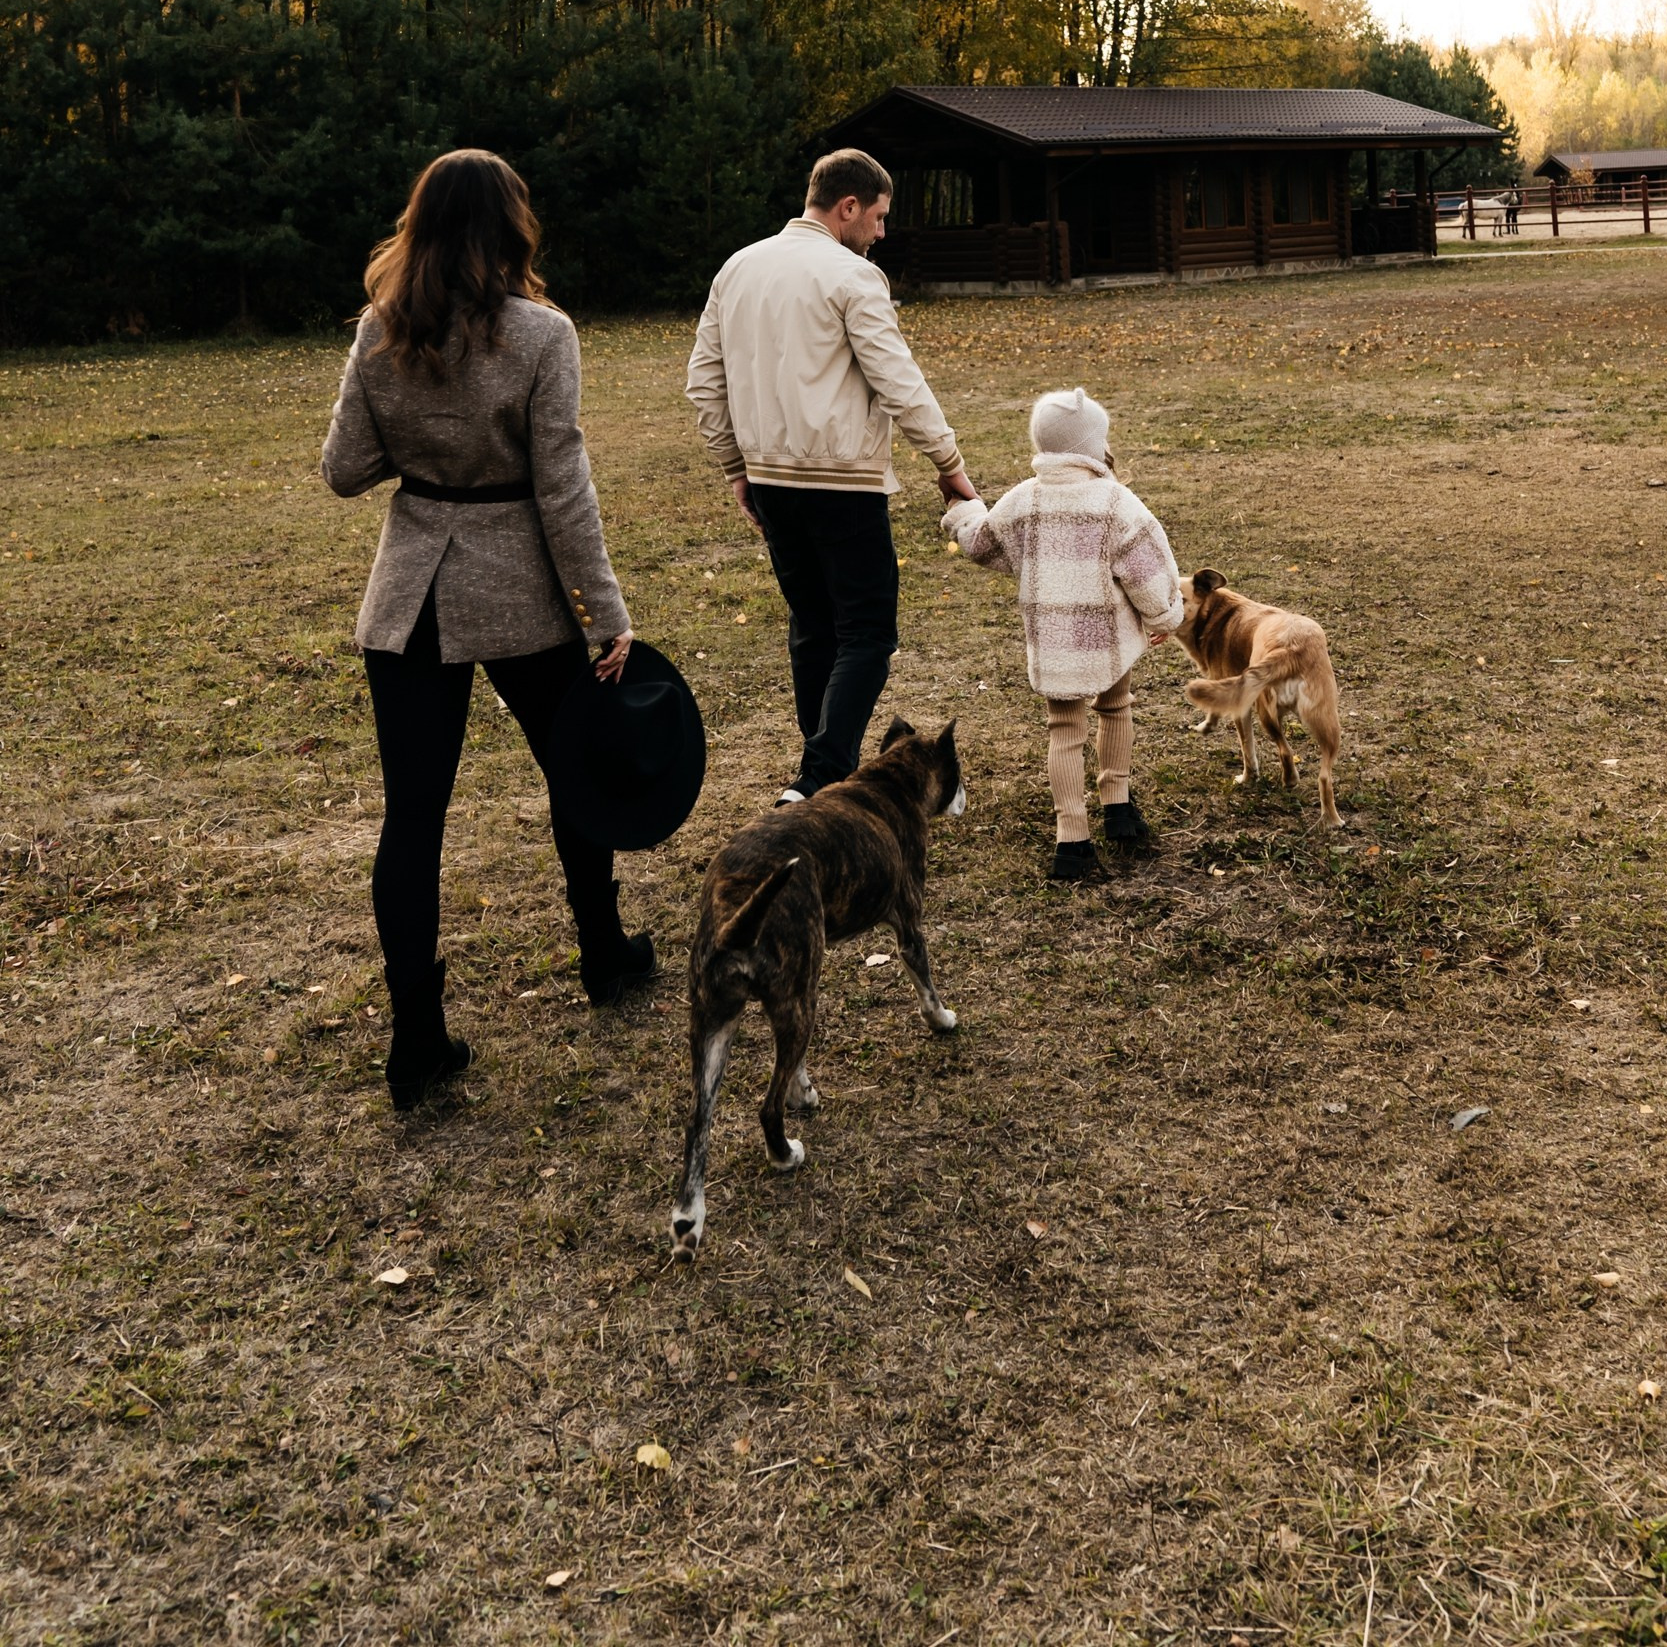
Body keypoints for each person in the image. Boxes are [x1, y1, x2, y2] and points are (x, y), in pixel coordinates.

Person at [321, 149, 652, 1112]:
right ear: (511, 227)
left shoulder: (381, 333)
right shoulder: (543, 335)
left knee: (412, 822)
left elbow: (344, 468)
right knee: (576, 777)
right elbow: (564, 489)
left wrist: (425, 446)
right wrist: (606, 615)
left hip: (411, 597)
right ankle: (603, 954)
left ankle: (415, 1042)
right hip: (523, 595)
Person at [686, 148, 976, 801]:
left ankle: (826, 768)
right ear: (848, 207)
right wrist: (948, 463)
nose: (880, 232)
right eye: (877, 217)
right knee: (868, 633)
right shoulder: (853, 277)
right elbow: (897, 379)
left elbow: (703, 382)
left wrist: (736, 467)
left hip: (770, 482)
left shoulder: (738, 268)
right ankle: (820, 778)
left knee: (814, 626)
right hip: (841, 484)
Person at [940, 385, 1182, 883]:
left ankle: (1072, 839)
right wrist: (1164, 618)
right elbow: (1146, 569)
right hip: (1110, 639)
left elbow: (986, 544)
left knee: (1064, 731)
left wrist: (964, 513)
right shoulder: (1116, 502)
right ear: (1093, 446)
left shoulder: (1022, 501)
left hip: (1053, 643)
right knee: (1116, 706)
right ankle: (1118, 805)